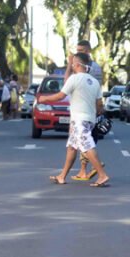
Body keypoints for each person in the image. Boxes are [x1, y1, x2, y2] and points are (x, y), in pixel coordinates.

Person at [44, 52, 110, 187]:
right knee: (72, 147)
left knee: (86, 146)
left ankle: (102, 175)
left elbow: (60, 96)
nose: (72, 66)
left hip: (80, 119)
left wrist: (44, 99)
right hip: (88, 119)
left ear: (78, 64)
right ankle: (62, 176)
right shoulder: (95, 82)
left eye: (73, 63)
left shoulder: (74, 79)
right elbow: (99, 105)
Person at [68, 41, 105, 181]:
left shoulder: (88, 68)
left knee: (85, 140)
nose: (79, 52)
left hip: (84, 109)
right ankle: (83, 170)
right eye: (77, 50)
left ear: (88, 50)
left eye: (82, 50)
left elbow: (72, 83)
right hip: (86, 108)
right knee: (80, 141)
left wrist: (70, 66)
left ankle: (94, 168)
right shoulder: (92, 67)